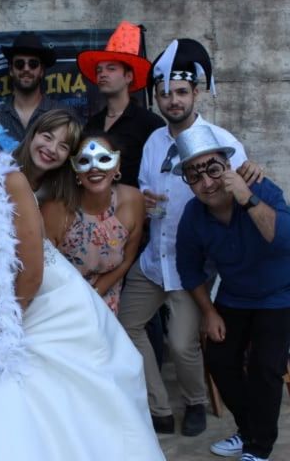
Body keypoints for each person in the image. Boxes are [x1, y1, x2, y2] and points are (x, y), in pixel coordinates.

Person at [0, 96, 165, 461]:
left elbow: (31, 271)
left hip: (48, 301)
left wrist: (4, 324)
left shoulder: (10, 183)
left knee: (37, 396)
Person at [117, 38, 261, 436]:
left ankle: (195, 401)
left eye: (180, 92)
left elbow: (239, 202)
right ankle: (157, 405)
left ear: (195, 93)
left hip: (194, 268)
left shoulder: (224, 142)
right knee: (123, 328)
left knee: (182, 345)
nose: (172, 101)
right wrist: (143, 203)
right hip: (151, 261)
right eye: (164, 94)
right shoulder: (152, 142)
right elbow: (144, 192)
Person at [174, 125, 290, 461]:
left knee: (265, 367)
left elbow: (283, 240)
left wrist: (246, 196)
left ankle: (259, 448)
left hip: (279, 295)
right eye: (195, 176)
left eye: (212, 169)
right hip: (236, 296)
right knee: (220, 358)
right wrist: (209, 312)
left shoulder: (259, 189)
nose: (207, 182)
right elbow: (189, 269)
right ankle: (248, 430)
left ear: (227, 166)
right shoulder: (193, 216)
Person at [42, 131, 145, 314]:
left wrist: (94, 295)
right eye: (84, 161)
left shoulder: (133, 201)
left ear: (117, 165)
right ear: (75, 170)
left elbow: (127, 259)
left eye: (103, 158)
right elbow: (44, 272)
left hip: (106, 297)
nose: (94, 168)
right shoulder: (56, 211)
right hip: (61, 302)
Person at [77, 20, 165, 187]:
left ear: (128, 77)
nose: (102, 74)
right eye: (99, 70)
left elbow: (161, 174)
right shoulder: (93, 124)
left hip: (135, 208)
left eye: (111, 69)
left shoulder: (150, 124)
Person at [0, 31, 65, 144]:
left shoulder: (62, 114)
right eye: (19, 64)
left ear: (42, 71)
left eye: (33, 64)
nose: (26, 69)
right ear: (11, 70)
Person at [12, 108, 81, 204]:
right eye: (47, 137)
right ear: (33, 135)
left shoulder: (59, 193)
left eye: (63, 146)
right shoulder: (0, 174)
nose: (52, 149)